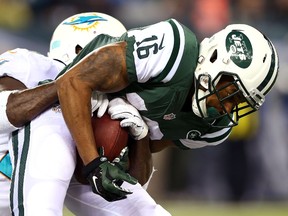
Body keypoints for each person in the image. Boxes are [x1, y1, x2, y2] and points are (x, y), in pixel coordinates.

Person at [53, 19, 279, 202]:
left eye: (239, 102)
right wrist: (94, 163)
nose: (228, 107)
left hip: (89, 164)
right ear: (214, 58)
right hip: (54, 114)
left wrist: (139, 135)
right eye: (231, 94)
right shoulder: (175, 49)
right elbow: (70, 83)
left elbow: (135, 173)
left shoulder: (215, 129)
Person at [1, 12, 170, 216]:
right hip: (28, 180)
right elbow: (7, 110)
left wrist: (140, 136)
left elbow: (126, 190)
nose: (119, 63)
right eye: (112, 52)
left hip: (40, 190)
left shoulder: (114, 100)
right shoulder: (32, 66)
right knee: (52, 120)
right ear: (81, 50)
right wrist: (70, 87)